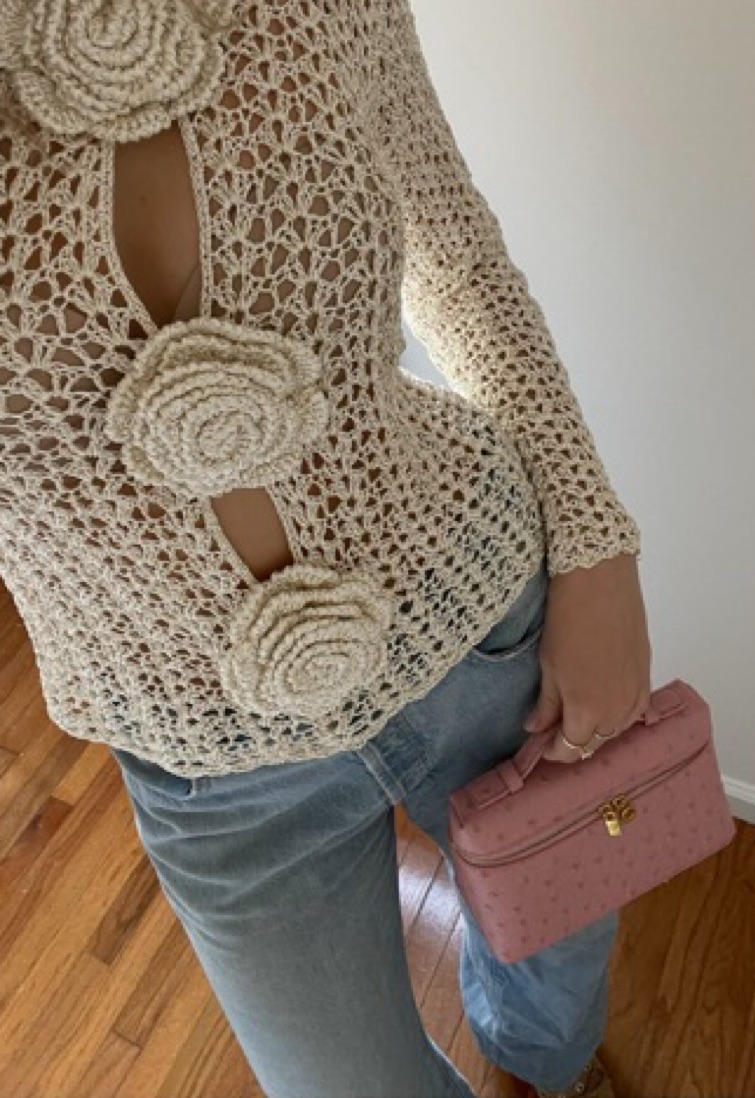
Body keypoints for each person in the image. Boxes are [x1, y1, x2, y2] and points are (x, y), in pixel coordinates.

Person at [0, 2, 652, 1097]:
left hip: (481, 623)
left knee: (563, 950)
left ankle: (549, 1067)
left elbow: (455, 259)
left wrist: (595, 551)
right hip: (210, 760)